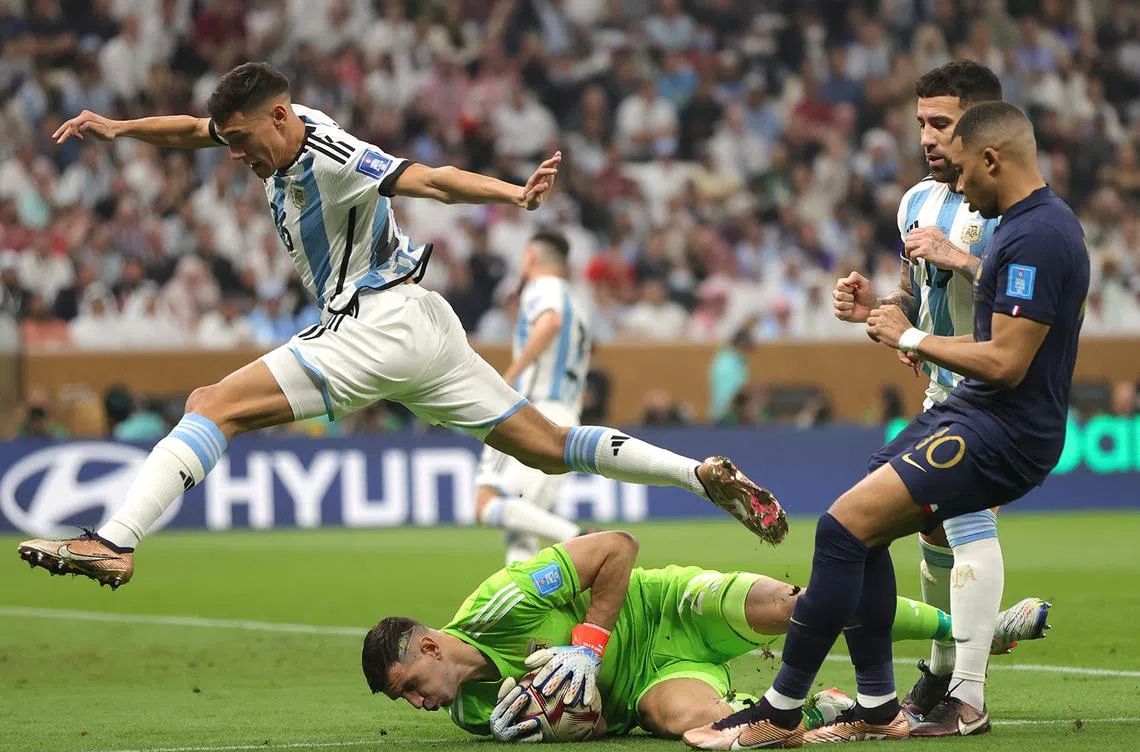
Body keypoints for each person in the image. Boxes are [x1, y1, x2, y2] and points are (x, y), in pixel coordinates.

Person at [17, 62, 787, 589]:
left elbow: (426, 179)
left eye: (247, 140)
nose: (240, 155)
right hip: (424, 326)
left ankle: (113, 542)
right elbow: (194, 130)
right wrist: (118, 129)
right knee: (548, 451)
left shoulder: (327, 149)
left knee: (209, 404)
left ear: (280, 117)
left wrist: (513, 196)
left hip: (373, 323)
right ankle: (699, 474)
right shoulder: (256, 132)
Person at [684, 101, 1088, 749]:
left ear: (987, 151)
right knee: (860, 529)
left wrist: (918, 333)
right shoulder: (975, 214)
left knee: (851, 529)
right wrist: (885, 312)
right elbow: (920, 302)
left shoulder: (1031, 232)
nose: (953, 180)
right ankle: (883, 702)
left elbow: (1009, 355)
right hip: (959, 407)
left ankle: (798, 708)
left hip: (998, 420)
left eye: (950, 146)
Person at [361, 531, 1048, 743]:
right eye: (409, 704)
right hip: (645, 687)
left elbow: (616, 548)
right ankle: (822, 711)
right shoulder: (479, 716)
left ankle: (976, 633)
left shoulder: (501, 604)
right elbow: (600, 723)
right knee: (707, 733)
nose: (422, 705)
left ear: (427, 649)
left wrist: (588, 644)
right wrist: (575, 721)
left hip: (665, 606)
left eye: (411, 689)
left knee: (799, 606)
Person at [831, 61, 1022, 734]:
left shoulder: (1011, 207)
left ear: (978, 127)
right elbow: (920, 295)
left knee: (965, 521)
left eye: (940, 123)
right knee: (933, 531)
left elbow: (1029, 296)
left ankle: (968, 693)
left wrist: (965, 259)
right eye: (921, 123)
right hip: (939, 392)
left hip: (992, 394)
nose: (927, 137)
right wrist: (877, 307)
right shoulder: (915, 201)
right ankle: (943, 669)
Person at [473, 229, 592, 563]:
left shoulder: (544, 287)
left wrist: (511, 374)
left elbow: (549, 321)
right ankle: (520, 609)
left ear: (530, 257)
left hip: (534, 413)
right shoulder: (577, 302)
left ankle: (579, 538)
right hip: (564, 414)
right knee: (522, 527)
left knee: (486, 503)